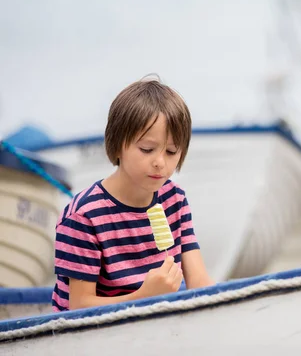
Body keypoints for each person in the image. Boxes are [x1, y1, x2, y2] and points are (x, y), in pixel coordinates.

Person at [52, 77, 214, 312]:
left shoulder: (174, 200)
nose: (160, 162)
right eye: (147, 149)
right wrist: (144, 295)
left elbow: (199, 282)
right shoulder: (84, 216)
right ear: (118, 145)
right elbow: (79, 306)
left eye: (171, 151)